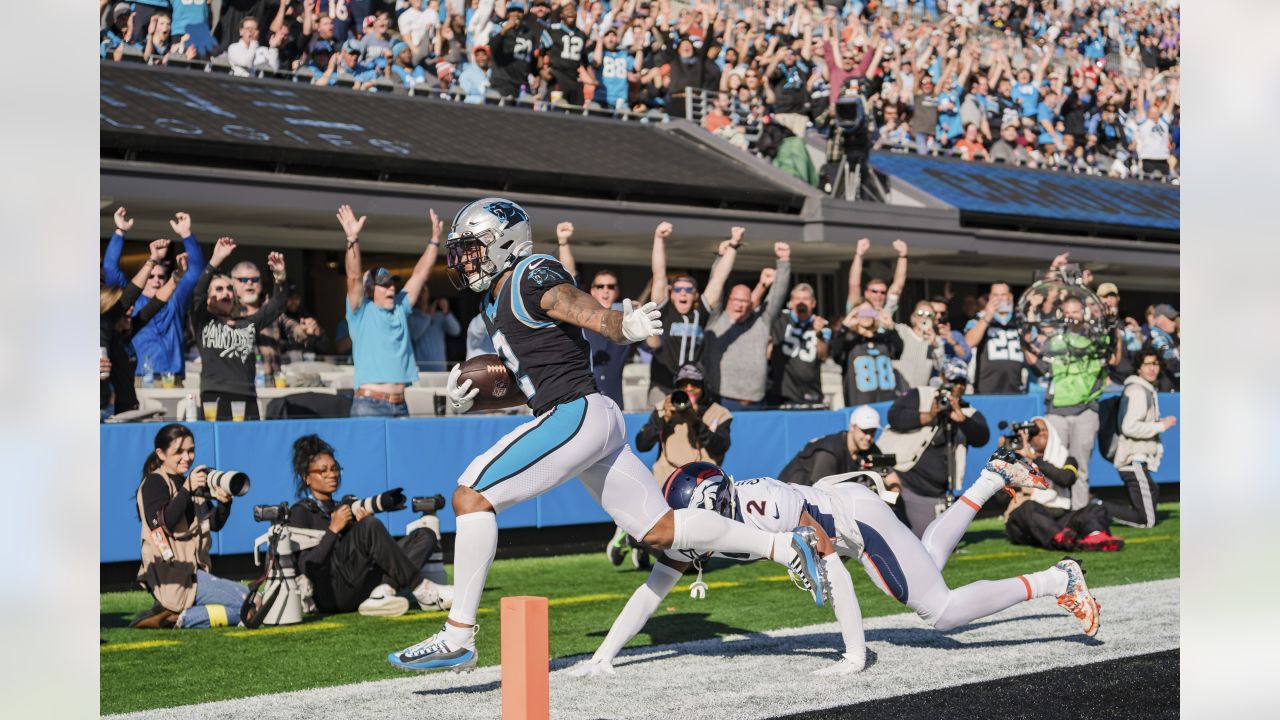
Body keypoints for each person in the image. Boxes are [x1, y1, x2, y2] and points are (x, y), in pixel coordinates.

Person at [387, 197, 830, 672]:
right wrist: (477, 398)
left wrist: (622, 324)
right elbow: (527, 382)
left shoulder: (531, 273)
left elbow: (583, 310)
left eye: (474, 248)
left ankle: (458, 635)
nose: (467, 259)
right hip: (586, 415)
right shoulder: (492, 301)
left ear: (504, 242)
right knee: (660, 531)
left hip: (576, 412)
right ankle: (786, 546)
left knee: (471, 495)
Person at [568, 455, 1100, 677]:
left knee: (938, 611)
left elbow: (830, 565)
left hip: (851, 519)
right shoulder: (697, 530)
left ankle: (1058, 579)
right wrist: (604, 657)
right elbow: (652, 589)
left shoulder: (758, 502)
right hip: (839, 523)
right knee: (925, 564)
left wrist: (853, 654)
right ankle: (989, 479)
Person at [287, 434, 453, 617]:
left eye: (335, 468)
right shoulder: (300, 512)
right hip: (331, 595)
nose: (332, 474)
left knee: (425, 534)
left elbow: (381, 553)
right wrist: (333, 530)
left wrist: (359, 525)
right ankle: (422, 589)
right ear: (306, 478)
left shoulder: (342, 506)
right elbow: (307, 566)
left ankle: (381, 594)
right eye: (323, 470)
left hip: (360, 582)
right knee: (368, 525)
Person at [132, 424, 248, 629]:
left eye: (191, 450)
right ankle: (179, 617)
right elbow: (162, 523)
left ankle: (175, 616)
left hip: (195, 573)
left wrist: (225, 503)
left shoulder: (190, 483)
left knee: (251, 604)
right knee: (250, 603)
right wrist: (187, 489)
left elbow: (214, 524)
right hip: (172, 576)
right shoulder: (155, 483)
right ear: (161, 453)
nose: (187, 457)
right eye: (179, 451)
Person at [337, 205, 443, 417]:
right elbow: (354, 277)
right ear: (369, 290)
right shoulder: (361, 310)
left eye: (392, 283)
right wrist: (352, 239)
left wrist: (435, 241)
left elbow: (420, 274)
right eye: (384, 284)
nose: (391, 288)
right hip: (369, 404)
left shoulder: (400, 307)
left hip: (401, 404)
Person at [880, 360, 991, 538]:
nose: (959, 386)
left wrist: (963, 421)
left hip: (931, 492)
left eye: (962, 382)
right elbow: (894, 417)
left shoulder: (967, 411)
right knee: (888, 525)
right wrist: (929, 415)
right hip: (902, 477)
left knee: (925, 541)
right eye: (954, 381)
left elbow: (982, 437)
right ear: (941, 378)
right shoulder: (921, 395)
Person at [102, 209, 207, 383]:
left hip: (173, 380)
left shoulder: (174, 299)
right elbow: (110, 269)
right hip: (138, 379)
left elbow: (195, 271)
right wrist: (120, 232)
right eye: (151, 276)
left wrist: (187, 235)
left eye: (161, 276)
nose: (156, 280)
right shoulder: (131, 301)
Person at [190, 238, 288, 420]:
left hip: (247, 394)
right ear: (209, 298)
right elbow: (197, 292)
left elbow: (278, 304)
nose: (225, 293)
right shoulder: (203, 321)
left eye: (229, 289)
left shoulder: (247, 324)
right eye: (218, 289)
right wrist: (215, 261)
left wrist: (280, 277)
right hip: (214, 394)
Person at [645, 222, 736, 408]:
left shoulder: (699, 313)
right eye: (678, 289)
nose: (683, 293)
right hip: (663, 386)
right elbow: (659, 274)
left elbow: (719, 279)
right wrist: (659, 238)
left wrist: (733, 245)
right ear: (671, 293)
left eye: (688, 289)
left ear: (695, 295)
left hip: (691, 387)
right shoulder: (665, 311)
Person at [1001, 417, 1126, 552]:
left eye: (1045, 430)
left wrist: (1035, 460)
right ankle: (1061, 539)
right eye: (1036, 431)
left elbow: (1066, 479)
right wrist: (1003, 460)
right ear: (1027, 438)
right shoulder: (1018, 462)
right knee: (1027, 507)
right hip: (1025, 525)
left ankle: (1097, 538)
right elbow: (1000, 498)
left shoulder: (1068, 459)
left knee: (1095, 508)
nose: (1043, 433)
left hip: (1058, 518)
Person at [703, 242, 792, 412]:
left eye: (744, 301)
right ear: (728, 300)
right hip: (721, 400)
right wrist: (720, 258)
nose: (740, 305)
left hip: (756, 401)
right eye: (736, 300)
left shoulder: (761, 322)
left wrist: (784, 261)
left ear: (750, 304)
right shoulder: (715, 320)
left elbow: (777, 296)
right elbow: (716, 286)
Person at [556, 221, 632, 408]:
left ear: (617, 291)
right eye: (600, 286)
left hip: (614, 405)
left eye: (610, 287)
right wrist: (563, 243)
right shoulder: (581, 316)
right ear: (592, 291)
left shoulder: (627, 320)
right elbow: (569, 280)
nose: (605, 291)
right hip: (584, 403)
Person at [101, 239, 179, 418]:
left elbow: (155, 305)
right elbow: (131, 293)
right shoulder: (104, 331)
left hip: (129, 410)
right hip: (107, 411)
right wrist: (151, 261)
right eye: (124, 308)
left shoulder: (125, 334)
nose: (130, 309)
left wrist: (177, 277)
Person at [1103, 349, 1175, 529]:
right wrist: (1161, 426)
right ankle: (1098, 507)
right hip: (1133, 460)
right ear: (1138, 369)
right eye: (1147, 364)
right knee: (1147, 520)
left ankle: (1101, 508)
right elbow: (1129, 426)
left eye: (1156, 364)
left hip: (1138, 460)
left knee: (1153, 492)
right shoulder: (1137, 391)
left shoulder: (1145, 389)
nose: (1152, 368)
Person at [229, 260, 323, 381]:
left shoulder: (272, 310)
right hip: (238, 383)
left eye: (255, 280)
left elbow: (293, 329)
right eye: (243, 280)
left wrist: (306, 331)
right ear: (232, 282)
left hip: (270, 383)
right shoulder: (227, 313)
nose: (249, 283)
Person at [778, 405, 901, 494]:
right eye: (864, 431)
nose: (868, 437)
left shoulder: (869, 447)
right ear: (852, 427)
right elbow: (821, 495)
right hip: (793, 498)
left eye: (872, 432)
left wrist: (890, 496)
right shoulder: (829, 453)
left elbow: (892, 479)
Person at [830, 299, 905, 407]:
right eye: (862, 312)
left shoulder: (883, 338)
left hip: (887, 401)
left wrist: (891, 327)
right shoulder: (849, 340)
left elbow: (898, 351)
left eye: (869, 312)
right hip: (860, 404)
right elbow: (836, 353)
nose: (866, 316)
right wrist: (845, 326)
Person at [766, 282, 829, 406]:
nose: (801, 302)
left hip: (811, 393)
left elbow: (823, 356)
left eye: (805, 299)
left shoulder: (821, 325)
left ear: (813, 303)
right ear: (791, 302)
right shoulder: (779, 320)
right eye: (797, 299)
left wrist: (818, 333)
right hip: (781, 394)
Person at [964, 282, 1027, 394]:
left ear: (1010, 297)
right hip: (986, 390)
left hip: (1015, 390)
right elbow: (968, 343)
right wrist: (987, 316)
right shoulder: (978, 320)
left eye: (1003, 295)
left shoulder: (1021, 322)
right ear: (990, 298)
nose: (999, 299)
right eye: (995, 295)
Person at [846, 237, 907, 316]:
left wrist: (903, 256)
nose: (879, 295)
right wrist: (859, 254)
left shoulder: (885, 313)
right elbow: (854, 285)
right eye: (874, 291)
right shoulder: (857, 311)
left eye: (883, 292)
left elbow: (898, 286)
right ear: (866, 293)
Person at [894, 299, 944, 389]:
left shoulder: (936, 341)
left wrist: (935, 345)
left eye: (929, 315)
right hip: (898, 391)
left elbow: (941, 367)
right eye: (920, 313)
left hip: (919, 395)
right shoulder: (902, 331)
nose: (924, 317)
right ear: (913, 317)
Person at [409, 288, 461, 372]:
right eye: (418, 290)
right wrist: (428, 316)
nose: (420, 294)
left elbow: (456, 331)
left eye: (423, 290)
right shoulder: (410, 316)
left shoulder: (439, 316)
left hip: (440, 370)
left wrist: (446, 312)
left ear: (428, 294)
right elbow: (414, 335)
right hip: (419, 371)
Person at [1144, 303, 1180, 391]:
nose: (1174, 322)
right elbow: (1167, 357)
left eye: (1175, 319)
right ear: (1158, 319)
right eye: (1171, 319)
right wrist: (1178, 351)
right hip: (1162, 391)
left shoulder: (1168, 336)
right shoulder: (1156, 337)